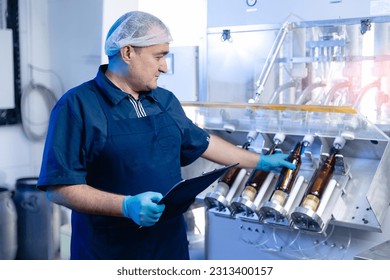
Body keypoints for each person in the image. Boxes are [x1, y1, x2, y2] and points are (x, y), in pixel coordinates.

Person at [37, 11, 295, 260]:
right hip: (110, 251)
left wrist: (259, 162)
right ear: (128, 52)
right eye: (159, 56)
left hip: (168, 247)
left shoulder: (164, 100)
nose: (164, 67)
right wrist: (126, 206)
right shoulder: (78, 106)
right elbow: (59, 188)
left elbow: (204, 142)